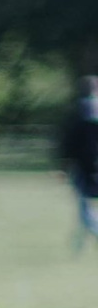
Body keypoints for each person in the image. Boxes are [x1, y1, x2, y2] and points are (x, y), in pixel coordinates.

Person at [60, 78, 98, 245]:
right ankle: (80, 243)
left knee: (84, 207)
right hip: (91, 165)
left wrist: (63, 165)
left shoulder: (77, 113)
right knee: (85, 209)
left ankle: (84, 239)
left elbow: (69, 143)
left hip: (82, 167)